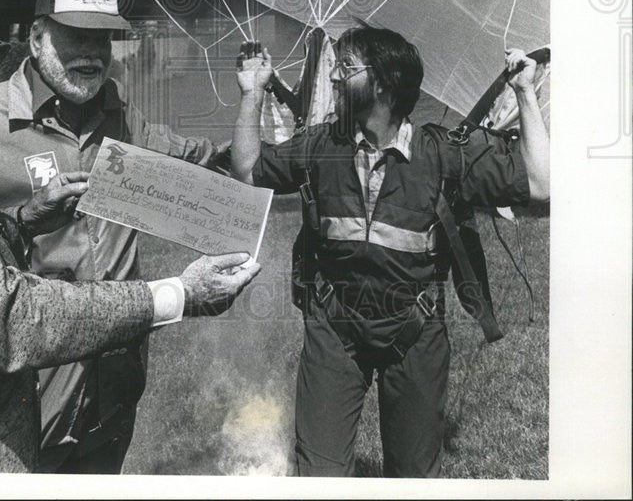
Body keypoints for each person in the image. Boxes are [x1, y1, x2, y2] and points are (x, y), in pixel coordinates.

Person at [0, 0, 259, 473]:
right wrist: (182, 294)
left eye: (105, 38)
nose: (92, 53)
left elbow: (223, 165)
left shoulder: (120, 118)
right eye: (75, 34)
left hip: (112, 385)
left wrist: (264, 104)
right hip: (23, 391)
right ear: (36, 37)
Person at [232, 24, 548, 478]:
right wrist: (252, 93)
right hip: (334, 327)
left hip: (414, 332)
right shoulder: (322, 145)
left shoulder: (442, 153)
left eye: (346, 67)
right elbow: (248, 172)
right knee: (317, 476)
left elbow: (541, 184)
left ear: (381, 81)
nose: (335, 78)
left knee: (414, 478)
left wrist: (525, 93)